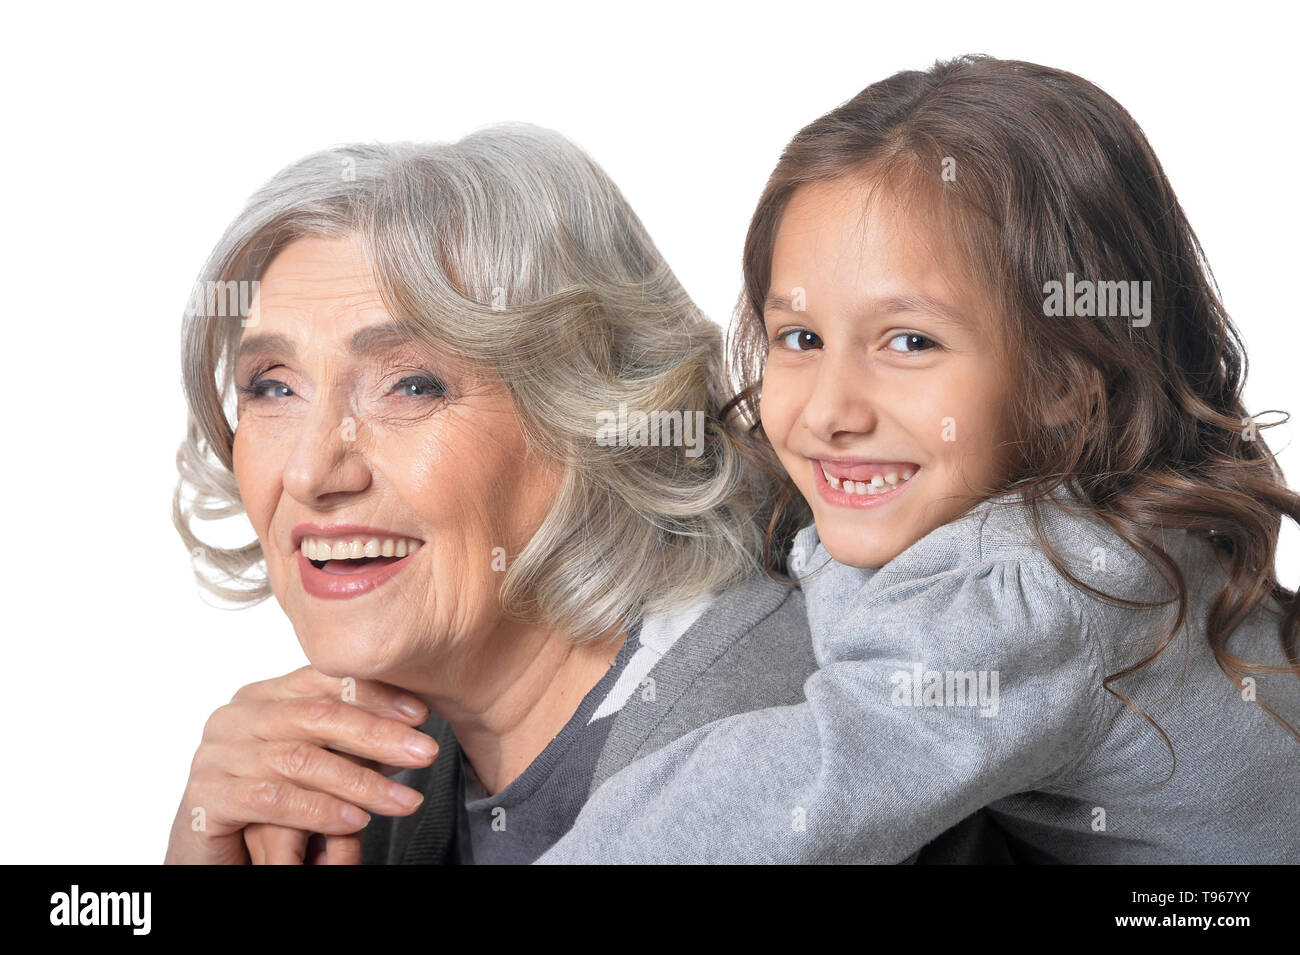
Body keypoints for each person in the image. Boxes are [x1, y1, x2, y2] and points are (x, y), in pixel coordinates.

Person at [537, 56, 1300, 864]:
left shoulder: (1042, 588)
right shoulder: (1043, 504)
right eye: (800, 338)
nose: (831, 411)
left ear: (1068, 383)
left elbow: (776, 803)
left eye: (910, 341)